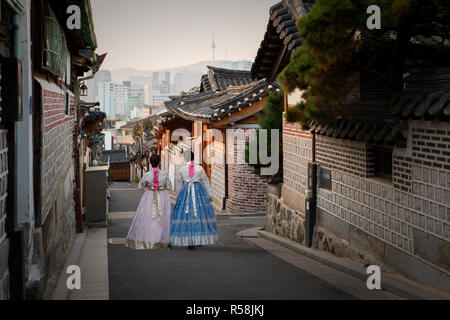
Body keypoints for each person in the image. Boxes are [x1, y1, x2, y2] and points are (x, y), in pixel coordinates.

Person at [171, 151, 218, 250]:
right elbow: (205, 182)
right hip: (199, 193)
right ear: (193, 157)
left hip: (186, 195)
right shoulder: (199, 168)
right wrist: (210, 195)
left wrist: (179, 197)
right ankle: (199, 238)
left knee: (187, 216)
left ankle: (190, 241)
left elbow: (179, 184)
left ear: (185, 158)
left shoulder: (182, 169)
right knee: (199, 215)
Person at [126, 154, 172, 250]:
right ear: (159, 162)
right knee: (163, 216)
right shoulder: (164, 174)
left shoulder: (147, 175)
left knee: (149, 216)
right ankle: (163, 240)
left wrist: (148, 187)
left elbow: (139, 186)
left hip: (150, 196)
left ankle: (149, 238)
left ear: (150, 163)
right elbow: (169, 186)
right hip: (162, 195)